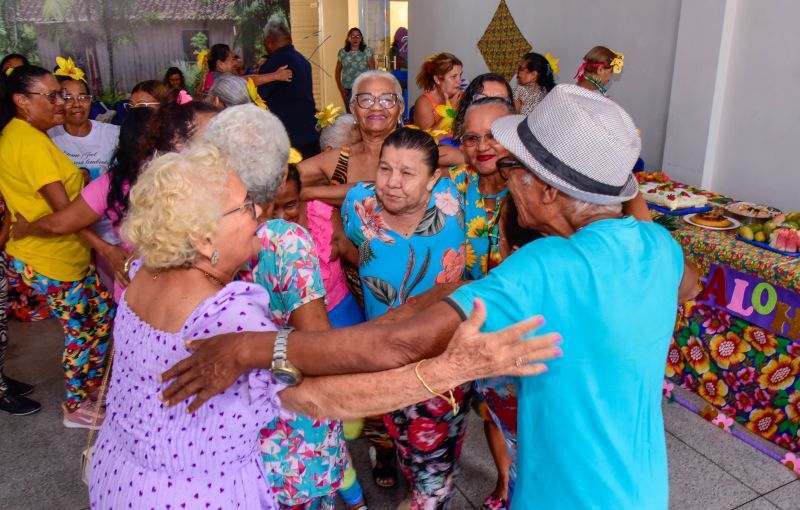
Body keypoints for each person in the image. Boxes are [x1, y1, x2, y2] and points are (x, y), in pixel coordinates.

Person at [159, 84, 702, 510]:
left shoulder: (548, 266)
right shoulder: (660, 248)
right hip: (642, 487)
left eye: (512, 169)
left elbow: (397, 347)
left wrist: (252, 349)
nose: (504, 180)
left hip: (569, 494)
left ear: (549, 190)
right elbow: (686, 284)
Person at [89, 141, 560, 510]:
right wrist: (453, 368)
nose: (259, 211)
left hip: (123, 478)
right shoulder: (224, 314)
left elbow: (330, 343)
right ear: (200, 235)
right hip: (198, 496)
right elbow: (326, 396)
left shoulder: (144, 272)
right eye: (244, 207)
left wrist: (423, 302)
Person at [341, 127, 470, 508]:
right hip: (384, 355)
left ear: (434, 178)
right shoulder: (357, 204)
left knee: (434, 465)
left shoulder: (453, 204)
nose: (392, 184)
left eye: (408, 173)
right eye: (385, 169)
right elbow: (353, 249)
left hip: (444, 357)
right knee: (399, 435)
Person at [0, 65, 117, 428]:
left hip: (63, 253)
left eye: (64, 95)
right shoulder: (28, 143)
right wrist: (107, 249)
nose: (62, 103)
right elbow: (65, 214)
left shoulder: (27, 136)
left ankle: (92, 386)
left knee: (100, 317)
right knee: (84, 329)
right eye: (52, 96)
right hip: (50, 257)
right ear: (22, 101)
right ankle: (76, 406)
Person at [13, 97, 218, 302]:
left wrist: (27, 228)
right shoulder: (187, 174)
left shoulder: (110, 184)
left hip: (137, 285)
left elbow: (61, 222)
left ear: (121, 144)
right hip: (189, 284)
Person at [449, 97, 517, 510]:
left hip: (513, 323)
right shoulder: (453, 184)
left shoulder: (532, 188)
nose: (483, 146)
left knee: (502, 412)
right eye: (472, 138)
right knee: (461, 407)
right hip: (459, 320)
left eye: (493, 135)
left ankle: (507, 482)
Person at [298, 70, 404, 205]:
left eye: (387, 100)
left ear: (400, 108)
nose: (376, 107)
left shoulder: (418, 152)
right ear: (353, 109)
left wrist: (312, 192)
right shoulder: (340, 159)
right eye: (366, 100)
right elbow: (281, 184)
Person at [258, 17, 320, 158]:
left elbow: (258, 95)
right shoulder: (302, 60)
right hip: (309, 132)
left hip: (288, 137)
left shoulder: (276, 62)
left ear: (269, 42)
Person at [412, 52, 463, 131]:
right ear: (437, 79)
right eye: (454, 76)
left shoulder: (461, 97)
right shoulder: (423, 103)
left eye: (460, 75)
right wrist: (451, 110)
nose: (459, 81)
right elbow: (428, 140)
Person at [336, 27, 376, 112]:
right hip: (347, 89)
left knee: (361, 113)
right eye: (352, 36)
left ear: (361, 39)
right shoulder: (342, 52)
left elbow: (373, 71)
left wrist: (371, 88)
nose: (355, 39)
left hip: (362, 89)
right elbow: (337, 72)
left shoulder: (367, 51)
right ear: (348, 38)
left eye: (357, 36)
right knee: (350, 114)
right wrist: (341, 88)